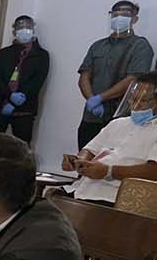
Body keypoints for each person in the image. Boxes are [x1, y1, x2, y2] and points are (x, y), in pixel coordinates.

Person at [64, 72, 157, 204]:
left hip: (116, 198)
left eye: (142, 100)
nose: (135, 106)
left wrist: (109, 172)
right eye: (133, 99)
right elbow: (90, 150)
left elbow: (153, 171)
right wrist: (79, 162)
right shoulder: (118, 123)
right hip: (81, 189)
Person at [77, 0, 154, 150]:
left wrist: (101, 98)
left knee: (109, 162)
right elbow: (84, 75)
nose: (119, 18)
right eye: (115, 14)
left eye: (125, 14)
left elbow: (133, 79)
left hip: (120, 117)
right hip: (91, 116)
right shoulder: (98, 45)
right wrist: (91, 99)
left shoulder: (140, 46)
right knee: (84, 159)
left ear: (134, 19)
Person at [0, 16, 50, 144]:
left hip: (24, 109)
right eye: (20, 28)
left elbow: (37, 82)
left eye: (27, 27)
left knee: (21, 148)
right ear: (14, 31)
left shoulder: (42, 56)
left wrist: (14, 103)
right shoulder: (3, 54)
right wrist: (9, 95)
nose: (24, 30)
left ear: (33, 29)